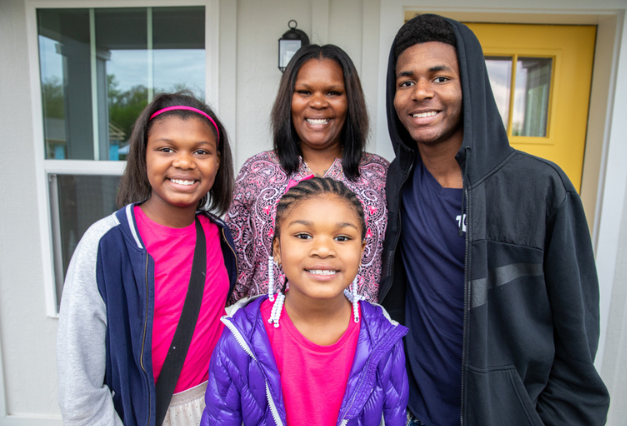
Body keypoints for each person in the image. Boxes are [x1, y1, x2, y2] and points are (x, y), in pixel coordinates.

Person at [379, 14, 610, 426]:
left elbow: (577, 333)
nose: (421, 93)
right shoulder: (396, 182)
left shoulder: (540, 187)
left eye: (441, 78)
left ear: (471, 86)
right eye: (406, 82)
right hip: (413, 414)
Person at [57, 92, 238, 426]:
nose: (184, 162)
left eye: (201, 151)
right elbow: (78, 377)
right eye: (166, 149)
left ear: (217, 162)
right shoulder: (107, 244)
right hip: (143, 414)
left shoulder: (222, 238)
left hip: (217, 408)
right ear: (142, 157)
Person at [201, 177, 408, 426]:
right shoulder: (240, 336)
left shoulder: (384, 336)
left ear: (362, 249)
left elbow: (393, 417)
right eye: (303, 235)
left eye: (342, 238)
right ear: (277, 248)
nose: (323, 250)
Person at [228, 44, 389, 303]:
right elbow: (235, 265)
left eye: (333, 92)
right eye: (304, 92)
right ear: (288, 100)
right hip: (267, 334)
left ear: (350, 102)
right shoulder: (257, 171)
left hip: (357, 335)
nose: (317, 102)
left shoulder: (380, 175)